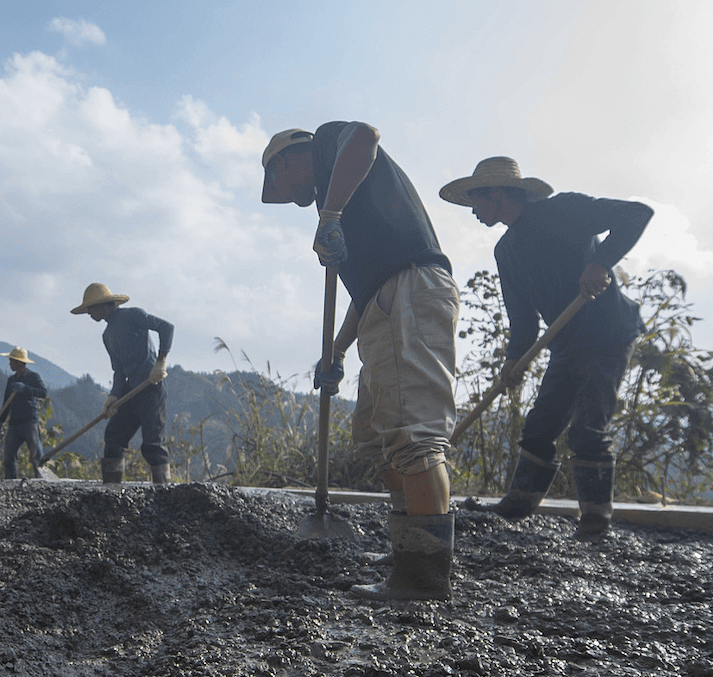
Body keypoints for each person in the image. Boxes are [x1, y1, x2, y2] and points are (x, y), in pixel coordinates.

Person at [261, 122, 458, 600]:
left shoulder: (332, 144)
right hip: (386, 302)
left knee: (413, 437)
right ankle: (408, 546)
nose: (292, 201)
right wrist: (338, 349)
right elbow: (367, 290)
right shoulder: (350, 205)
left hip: (409, 293)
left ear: (288, 160)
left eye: (282, 188)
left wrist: (328, 212)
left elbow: (367, 134)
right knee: (374, 435)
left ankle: (423, 578)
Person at [440, 156, 652, 540]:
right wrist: (513, 359)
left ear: (498, 195)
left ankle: (595, 521)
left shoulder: (562, 211)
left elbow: (636, 214)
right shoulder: (506, 251)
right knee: (539, 428)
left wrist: (601, 263)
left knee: (588, 429)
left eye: (476, 200)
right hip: (566, 344)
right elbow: (522, 317)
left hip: (607, 335)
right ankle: (518, 503)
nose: (472, 210)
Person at [69, 283, 172, 484]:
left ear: (104, 306)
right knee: (114, 439)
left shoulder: (133, 316)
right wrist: (113, 395)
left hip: (150, 386)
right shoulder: (107, 336)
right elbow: (119, 370)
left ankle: (165, 493)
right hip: (130, 390)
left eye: (91, 308)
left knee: (153, 444)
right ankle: (112, 492)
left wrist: (160, 362)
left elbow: (166, 328)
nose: (89, 313)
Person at [0, 346, 50, 480]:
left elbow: (43, 393)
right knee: (9, 456)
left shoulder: (33, 377)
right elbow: (6, 402)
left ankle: (41, 481)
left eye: (11, 361)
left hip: (29, 421)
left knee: (36, 456)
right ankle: (10, 481)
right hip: (14, 423)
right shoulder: (11, 380)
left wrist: (26, 389)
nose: (9, 363)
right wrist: (0, 421)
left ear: (18, 362)